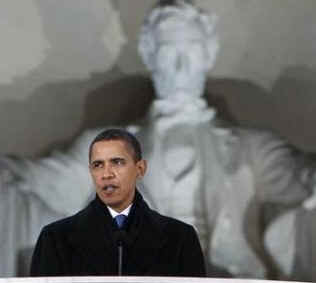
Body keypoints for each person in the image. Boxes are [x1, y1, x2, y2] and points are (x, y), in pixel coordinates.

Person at [30, 128, 206, 277]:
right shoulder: (55, 239)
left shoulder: (180, 238)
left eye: (117, 162)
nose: (107, 174)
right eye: (98, 165)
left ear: (140, 169)